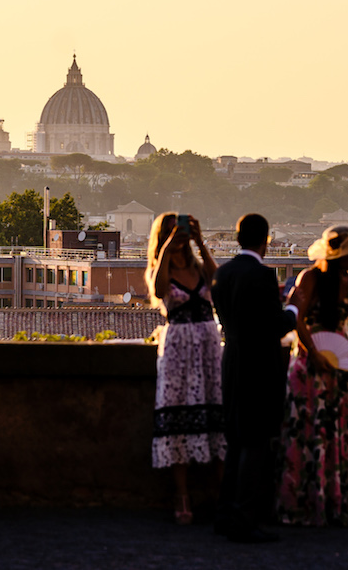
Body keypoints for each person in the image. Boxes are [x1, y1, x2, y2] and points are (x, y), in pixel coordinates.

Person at [276, 224, 348, 527]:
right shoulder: (310, 277)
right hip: (315, 359)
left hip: (335, 362)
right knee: (327, 430)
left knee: (320, 430)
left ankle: (322, 501)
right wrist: (314, 351)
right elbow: (295, 316)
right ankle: (326, 501)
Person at [210, 213, 299, 544]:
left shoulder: (222, 273)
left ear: (237, 237)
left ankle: (224, 513)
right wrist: (294, 308)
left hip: (231, 360)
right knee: (255, 442)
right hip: (258, 366)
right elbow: (275, 326)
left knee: (234, 441)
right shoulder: (262, 275)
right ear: (266, 239)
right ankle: (244, 519)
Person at [145, 212, 223, 525]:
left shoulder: (199, 267)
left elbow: (219, 285)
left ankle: (221, 496)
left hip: (207, 345)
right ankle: (182, 496)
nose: (178, 236)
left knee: (215, 419)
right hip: (178, 348)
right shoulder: (157, 267)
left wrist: (201, 242)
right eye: (171, 232)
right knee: (178, 420)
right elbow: (160, 290)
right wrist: (165, 248)